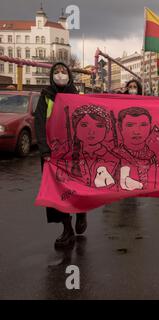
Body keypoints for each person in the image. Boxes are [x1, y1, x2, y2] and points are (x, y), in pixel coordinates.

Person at [34, 62, 87, 249]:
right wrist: (44, 149)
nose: (60, 74)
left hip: (74, 152)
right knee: (58, 192)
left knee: (77, 187)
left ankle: (81, 213)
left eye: (64, 71)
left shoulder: (76, 95)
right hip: (53, 153)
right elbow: (39, 122)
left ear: (70, 75)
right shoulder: (46, 95)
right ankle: (67, 228)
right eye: (56, 71)